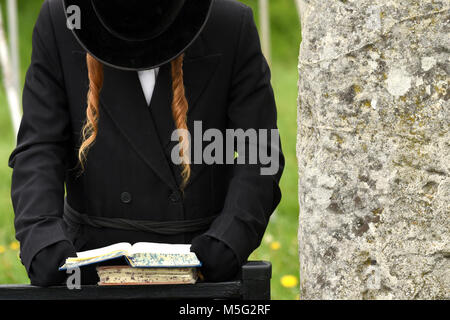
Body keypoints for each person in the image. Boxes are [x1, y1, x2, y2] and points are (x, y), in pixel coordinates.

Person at [9, 0, 284, 286]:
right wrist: (42, 240)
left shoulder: (229, 23)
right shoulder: (63, 20)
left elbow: (260, 152)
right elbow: (40, 147)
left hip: (200, 266)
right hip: (90, 268)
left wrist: (228, 240)